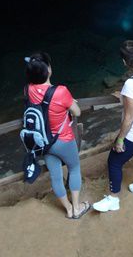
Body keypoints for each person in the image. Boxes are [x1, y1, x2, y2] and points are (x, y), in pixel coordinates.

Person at [93, 40, 133, 212]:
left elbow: (128, 118)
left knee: (114, 162)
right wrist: (124, 96)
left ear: (124, 62)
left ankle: (113, 199)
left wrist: (120, 139)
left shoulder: (131, 84)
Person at [25, 52, 89, 219]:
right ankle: (76, 208)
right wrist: (70, 102)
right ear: (49, 70)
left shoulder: (28, 89)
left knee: (55, 176)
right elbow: (77, 112)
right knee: (74, 168)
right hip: (64, 140)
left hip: (43, 142)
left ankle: (67, 209)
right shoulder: (60, 91)